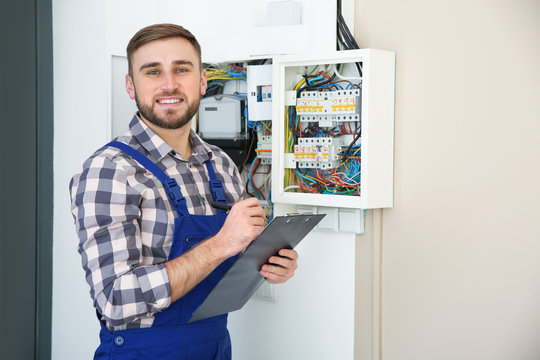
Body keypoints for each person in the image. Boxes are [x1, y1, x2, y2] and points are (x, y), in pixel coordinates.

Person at [70, 23, 298, 360]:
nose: (169, 84)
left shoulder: (219, 164)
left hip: (216, 347)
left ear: (202, 81)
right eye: (153, 71)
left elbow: (231, 263)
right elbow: (116, 301)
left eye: (182, 69)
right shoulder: (110, 171)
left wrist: (269, 264)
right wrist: (221, 243)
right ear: (131, 86)